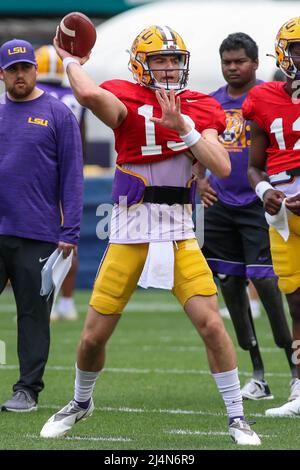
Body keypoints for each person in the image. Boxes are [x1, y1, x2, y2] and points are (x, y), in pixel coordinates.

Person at [39, 25, 261, 445]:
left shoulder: (198, 104)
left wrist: (185, 128)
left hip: (178, 231)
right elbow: (88, 96)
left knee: (212, 326)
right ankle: (80, 401)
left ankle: (236, 416)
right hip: (130, 230)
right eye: (160, 58)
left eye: (175, 59)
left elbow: (224, 165)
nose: (170, 66)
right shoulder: (124, 93)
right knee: (91, 337)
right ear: (141, 63)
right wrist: (70, 60)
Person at [198, 32, 298, 401]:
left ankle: (293, 369)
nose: (232, 68)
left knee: (271, 285)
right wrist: (199, 180)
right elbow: (195, 146)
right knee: (228, 282)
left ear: (256, 63)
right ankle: (257, 372)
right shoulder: (211, 102)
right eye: (227, 62)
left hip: (261, 203)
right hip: (221, 204)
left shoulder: (269, 97)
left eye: (240, 61)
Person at [0, 39, 83, 412]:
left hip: (38, 231)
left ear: (36, 69)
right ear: (2, 73)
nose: (20, 75)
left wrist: (70, 231)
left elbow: (72, 176)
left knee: (33, 315)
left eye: (26, 68)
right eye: (13, 69)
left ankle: (27, 391)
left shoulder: (58, 112)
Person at [243, 16, 300, 416]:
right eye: (298, 47)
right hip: (283, 215)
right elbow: (254, 166)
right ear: (284, 51)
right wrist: (265, 192)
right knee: (296, 304)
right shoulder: (263, 99)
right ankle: (299, 389)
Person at [35, 44, 87, 321]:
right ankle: (67, 301)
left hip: (39, 177)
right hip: (68, 175)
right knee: (69, 239)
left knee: (39, 241)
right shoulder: (73, 98)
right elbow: (82, 140)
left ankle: (50, 302)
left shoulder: (35, 96)